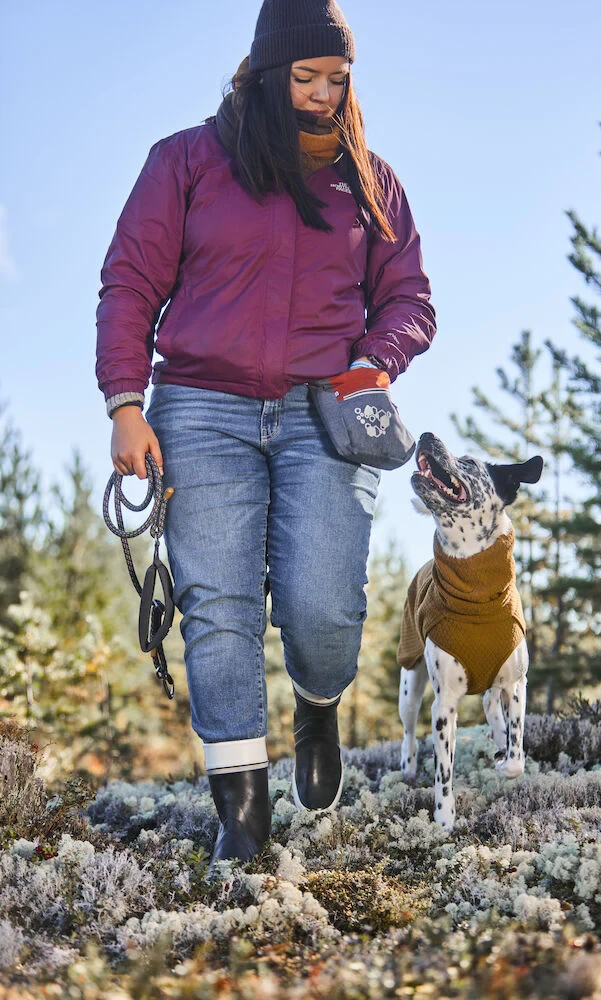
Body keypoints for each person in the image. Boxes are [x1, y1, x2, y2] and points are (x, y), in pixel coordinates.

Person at [96, 0, 436, 870]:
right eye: (305, 77)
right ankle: (241, 817)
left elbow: (408, 297)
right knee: (218, 609)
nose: (323, 95)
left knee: (323, 604)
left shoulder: (370, 180)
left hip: (326, 409)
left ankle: (317, 704)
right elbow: (130, 282)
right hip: (199, 408)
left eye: (337, 80)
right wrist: (125, 402)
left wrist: (374, 362)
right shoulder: (186, 160)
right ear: (262, 73)